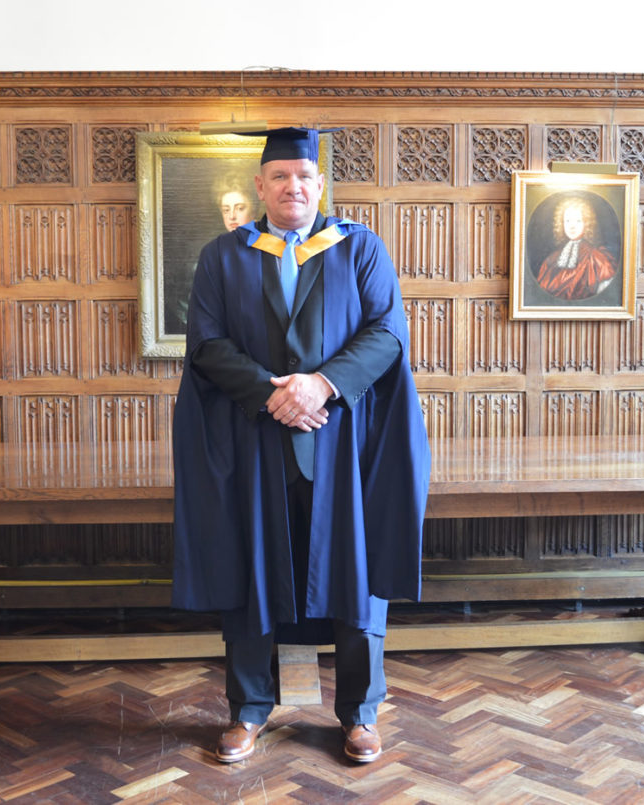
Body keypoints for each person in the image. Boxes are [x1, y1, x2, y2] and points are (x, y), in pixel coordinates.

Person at [171, 127, 430, 765]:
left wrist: (321, 385)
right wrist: (272, 395)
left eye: (304, 176)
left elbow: (386, 333)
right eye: (281, 176)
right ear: (260, 187)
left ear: (320, 185)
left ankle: (360, 713)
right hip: (255, 440)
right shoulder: (224, 256)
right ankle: (248, 710)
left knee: (355, 569)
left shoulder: (359, 248)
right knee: (253, 568)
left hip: (341, 443)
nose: (294, 186)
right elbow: (206, 343)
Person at [169, 172, 259, 331]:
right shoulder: (213, 254)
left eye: (240, 208)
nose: (232, 216)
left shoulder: (269, 247)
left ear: (254, 210)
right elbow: (193, 309)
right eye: (226, 210)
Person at [531, 196, 616, 301]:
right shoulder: (551, 259)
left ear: (587, 223)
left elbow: (605, 298)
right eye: (567, 221)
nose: (572, 226)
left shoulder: (597, 258)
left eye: (578, 221)